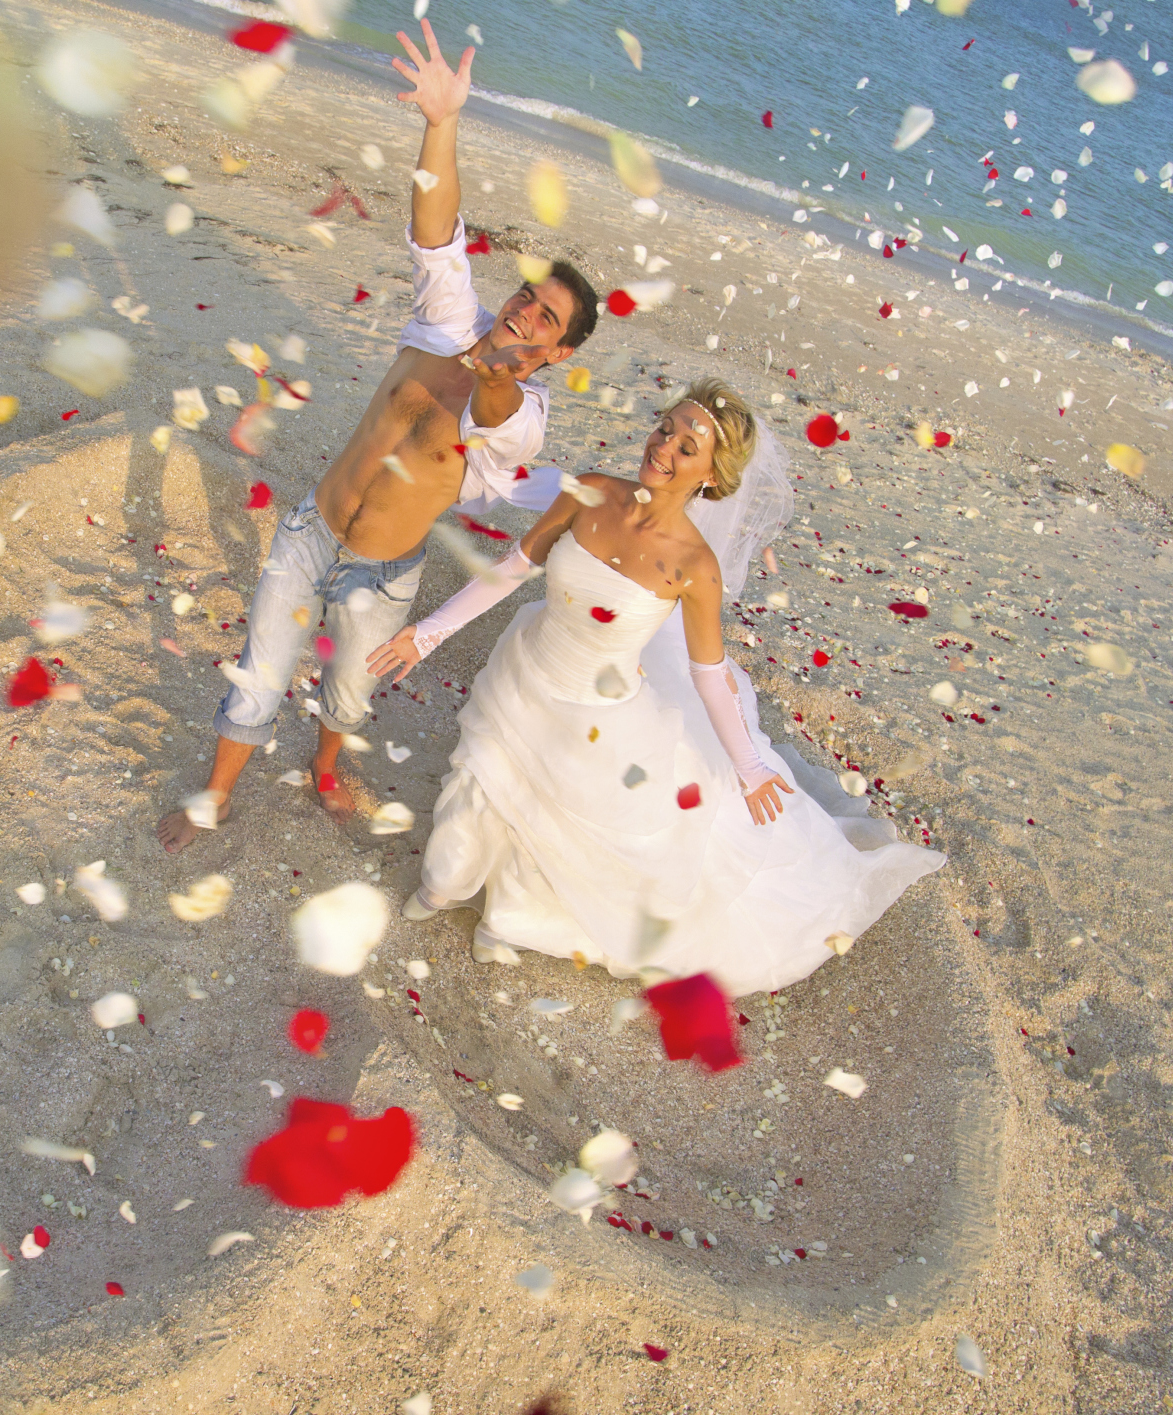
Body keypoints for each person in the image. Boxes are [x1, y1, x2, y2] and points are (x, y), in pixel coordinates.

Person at [158, 20, 600, 854]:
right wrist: (441, 122)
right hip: (310, 531)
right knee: (259, 671)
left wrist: (499, 369)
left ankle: (324, 771)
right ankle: (214, 796)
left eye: (547, 318)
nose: (525, 311)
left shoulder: (528, 411)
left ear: (561, 351)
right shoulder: (445, 322)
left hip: (386, 571)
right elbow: (436, 228)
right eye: (527, 296)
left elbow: (498, 416)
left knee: (348, 697)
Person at [366, 379, 945, 996]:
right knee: (444, 871)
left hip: (599, 723)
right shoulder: (591, 491)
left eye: (687, 446)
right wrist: (426, 635)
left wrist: (748, 765)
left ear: (709, 477)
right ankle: (457, 886)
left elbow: (710, 673)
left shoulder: (695, 567)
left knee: (551, 838)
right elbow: (513, 567)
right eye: (666, 427)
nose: (664, 446)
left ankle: (513, 918)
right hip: (525, 681)